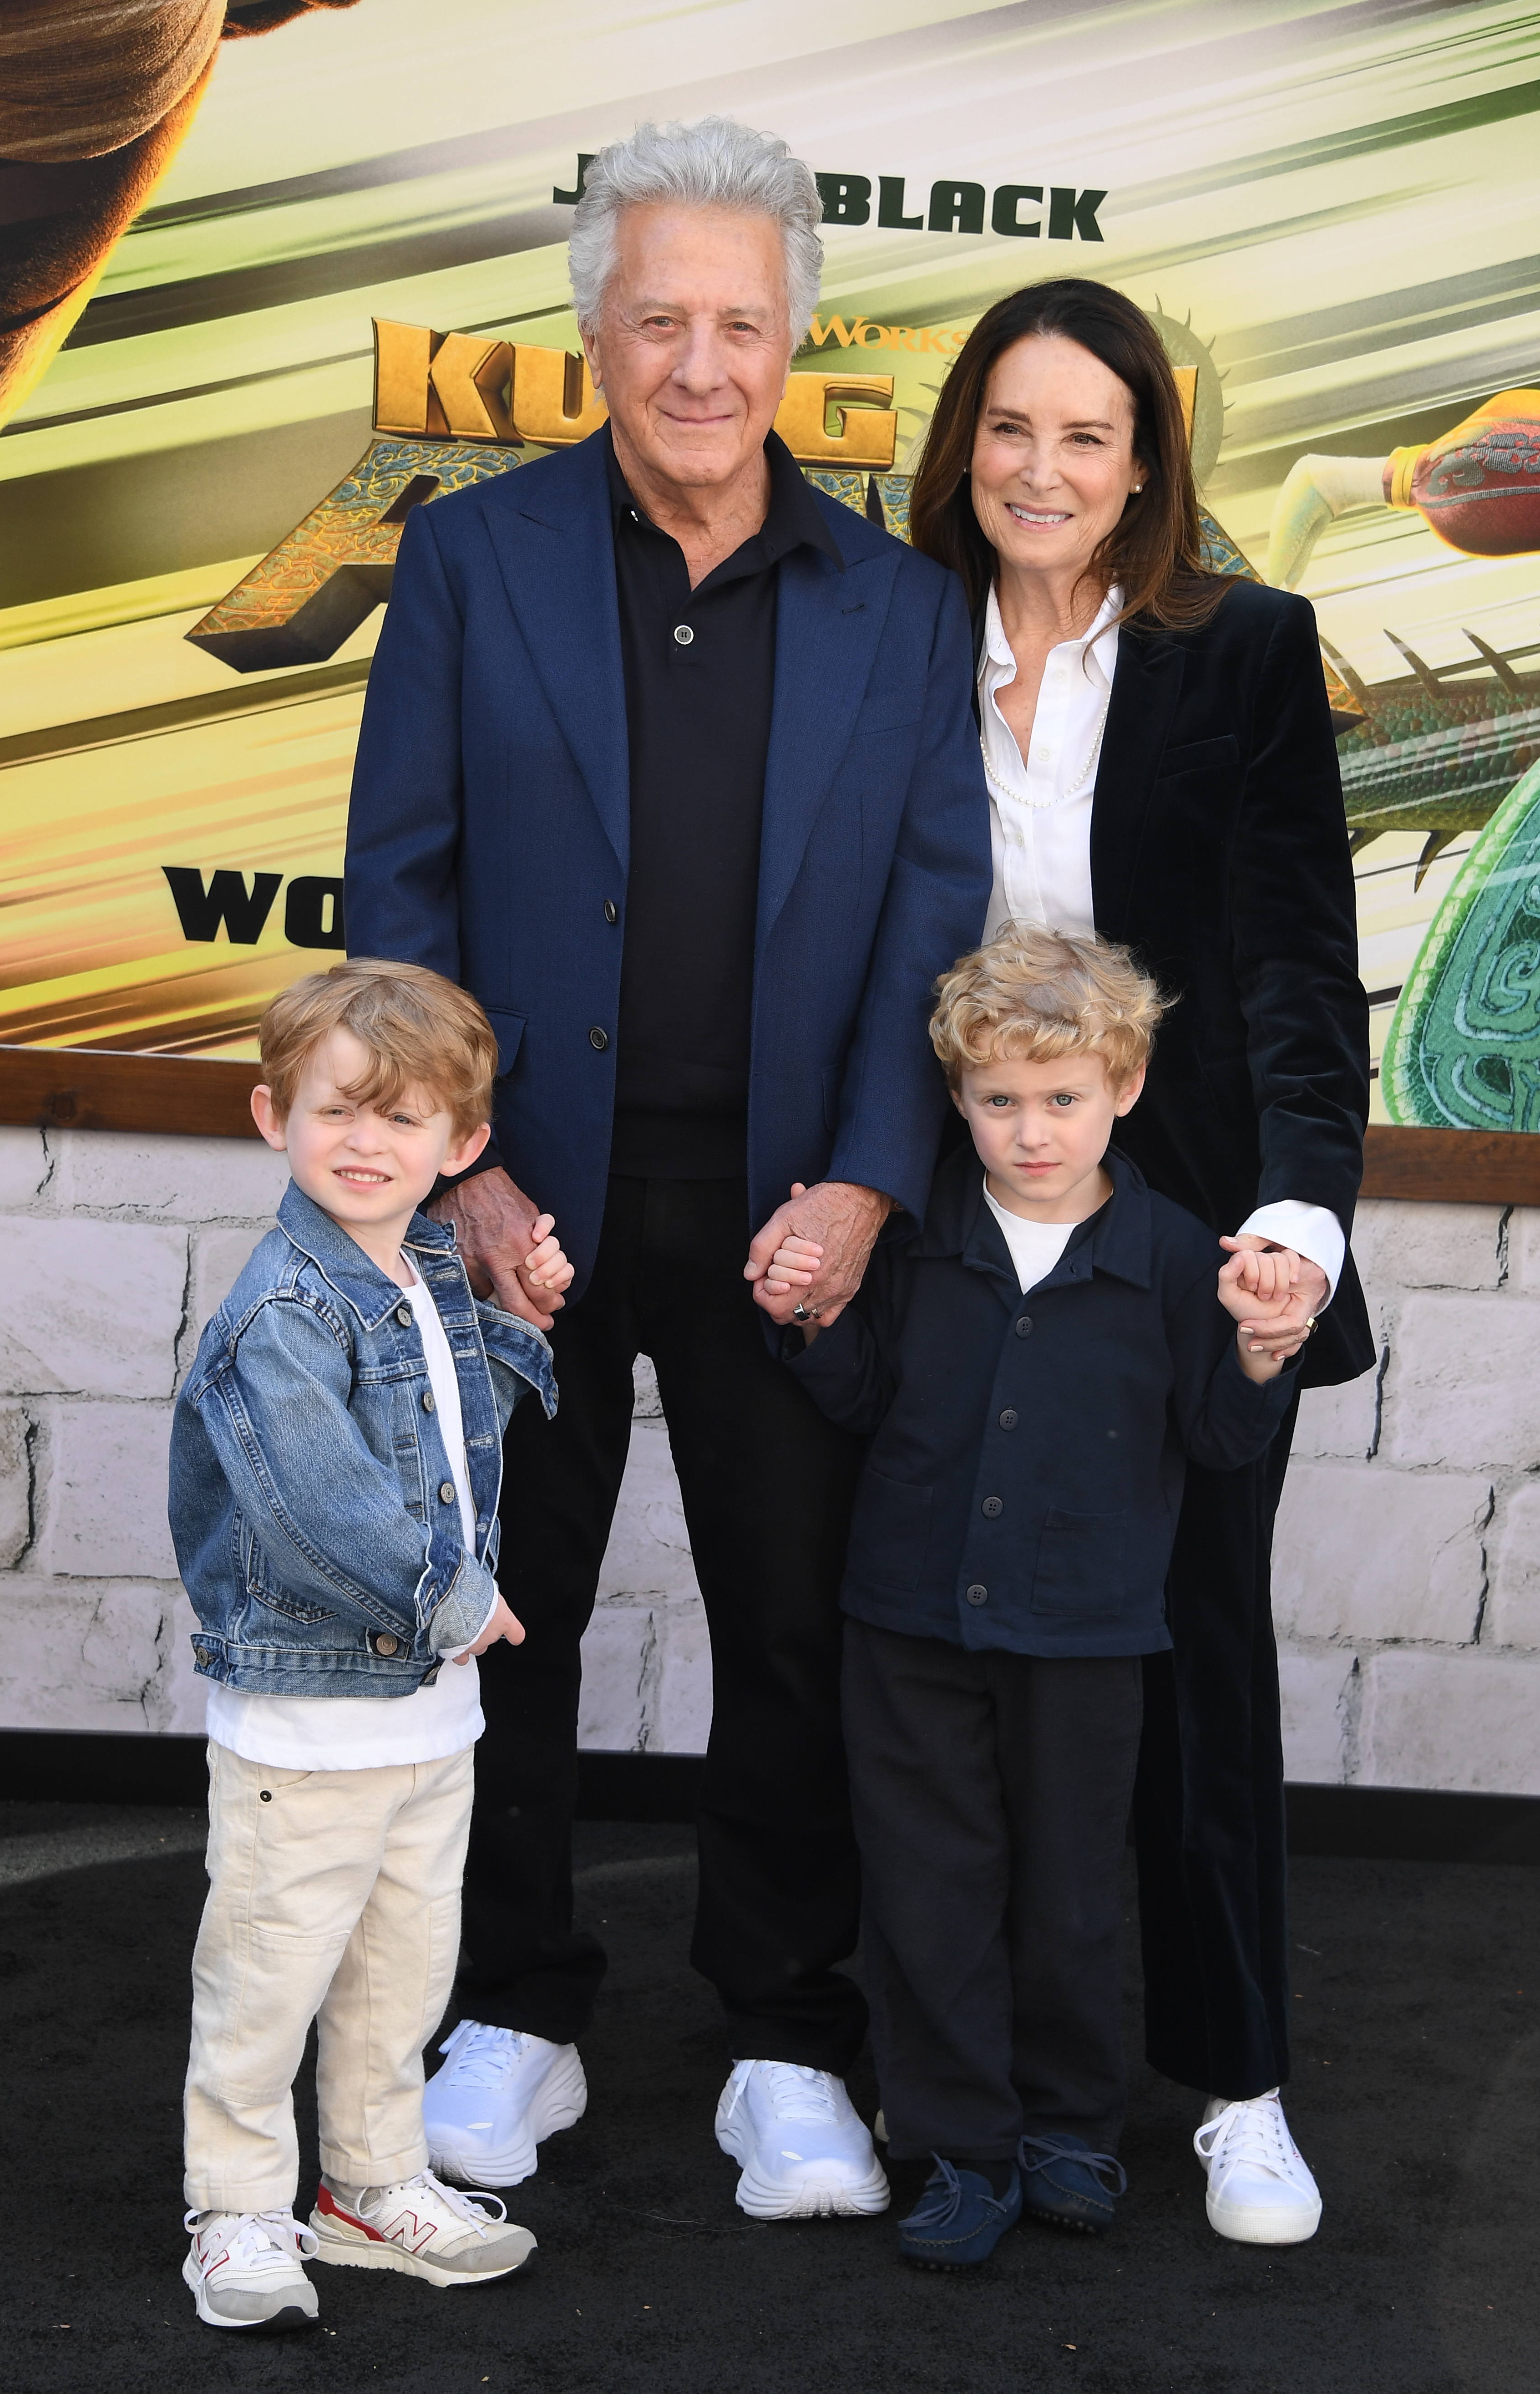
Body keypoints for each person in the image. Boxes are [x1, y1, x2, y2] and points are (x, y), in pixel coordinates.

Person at [343, 117, 990, 2215]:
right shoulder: (472, 560)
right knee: (500, 1615)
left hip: (791, 1206)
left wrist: (873, 1188)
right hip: (526, 1202)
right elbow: (403, 892)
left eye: (736, 320)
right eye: (657, 320)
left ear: (797, 334)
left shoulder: (904, 611)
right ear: (595, 336)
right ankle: (509, 2013)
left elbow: (934, 929)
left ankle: (788, 2038)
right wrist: (467, 1176)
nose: (698, 363)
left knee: (792, 1624)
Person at [907, 280, 1376, 2244]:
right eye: (1010, 428)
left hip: (1180, 1243)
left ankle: (1236, 2083)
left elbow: (1291, 962)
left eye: (1086, 435)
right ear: (961, 446)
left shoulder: (1246, 651)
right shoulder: (881, 634)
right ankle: (950, 2078)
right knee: (933, 1664)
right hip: (938, 1229)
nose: (1043, 469)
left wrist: (1292, 1220)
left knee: (1189, 1662)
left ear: (1146, 460)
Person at [761, 925, 1312, 2269]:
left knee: (1069, 1889)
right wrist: (807, 1320)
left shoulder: (1183, 1254)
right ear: (957, 1098)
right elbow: (862, 1402)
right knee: (930, 1886)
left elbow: (1226, 1447)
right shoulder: (915, 1234)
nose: (1032, 1129)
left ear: (1123, 1087)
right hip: (908, 1622)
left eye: (1063, 1098)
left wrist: (1259, 1354)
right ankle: (958, 2142)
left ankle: (1073, 2125)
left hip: (1088, 1632)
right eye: (1000, 1100)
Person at [167, 959, 565, 2331]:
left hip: (426, 1725)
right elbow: (318, 1505)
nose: (366, 1143)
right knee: (267, 1978)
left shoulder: (434, 1272)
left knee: (400, 1976)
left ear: (461, 1148)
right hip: (307, 1724)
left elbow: (451, 1450)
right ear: (273, 1116)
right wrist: (455, 1599)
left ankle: (370, 2182)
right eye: (339, 1110)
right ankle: (236, 2204)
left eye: (404, 1122)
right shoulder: (282, 1309)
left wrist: (515, 1331)